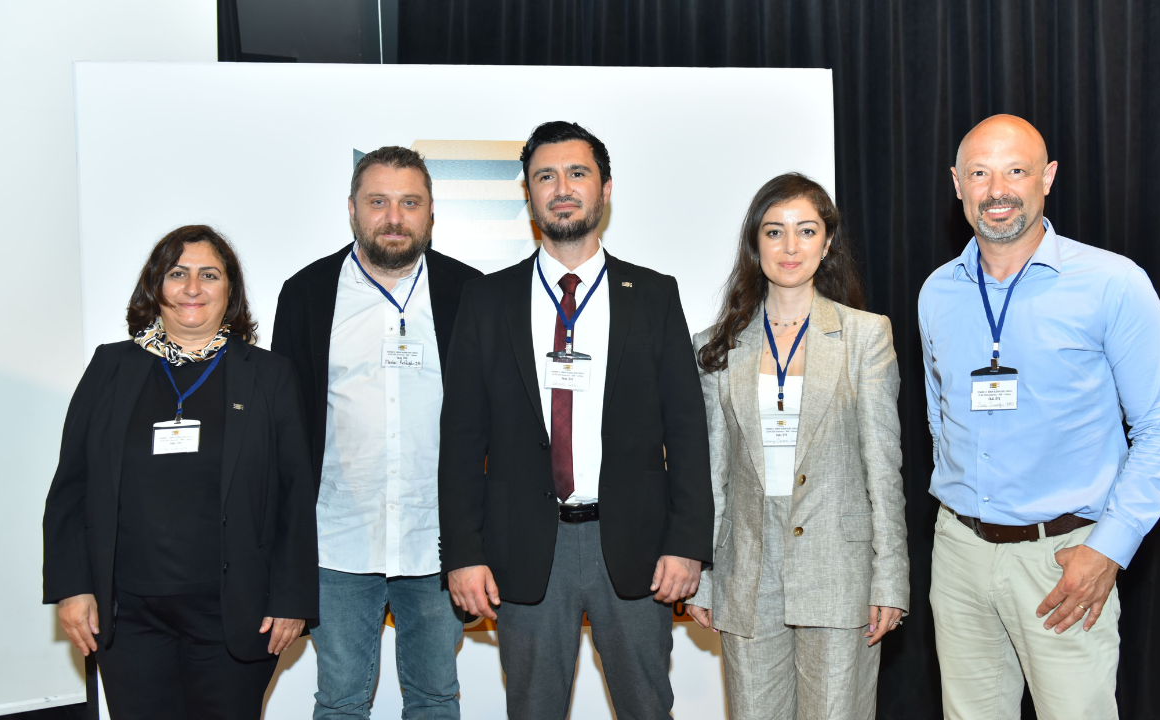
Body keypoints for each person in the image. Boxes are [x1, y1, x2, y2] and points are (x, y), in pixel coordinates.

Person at [439, 121, 714, 719]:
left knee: (648, 709)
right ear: (529, 194)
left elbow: (688, 432)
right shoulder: (487, 300)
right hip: (523, 549)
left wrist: (687, 543)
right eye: (546, 176)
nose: (562, 188)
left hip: (637, 548)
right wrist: (462, 552)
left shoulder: (655, 295)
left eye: (577, 173)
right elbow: (460, 440)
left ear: (605, 189)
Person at [920, 114, 1160, 719]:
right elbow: (941, 413)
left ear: (1048, 178)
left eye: (1016, 170)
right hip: (959, 555)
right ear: (957, 184)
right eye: (980, 173)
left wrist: (1109, 548)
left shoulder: (1113, 284)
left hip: (1064, 559)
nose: (998, 190)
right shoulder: (938, 291)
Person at [42, 225, 317, 719]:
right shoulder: (110, 367)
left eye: (209, 275)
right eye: (177, 273)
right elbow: (71, 486)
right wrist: (72, 586)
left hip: (235, 611)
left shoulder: (268, 374)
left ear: (230, 290)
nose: (193, 287)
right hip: (128, 614)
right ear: (155, 286)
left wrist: (292, 598)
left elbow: (296, 494)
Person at [685, 173, 909, 719]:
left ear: (827, 243)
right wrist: (704, 578)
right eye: (774, 232)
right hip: (746, 566)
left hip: (840, 567)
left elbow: (883, 469)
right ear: (755, 243)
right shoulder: (715, 347)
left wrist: (890, 578)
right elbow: (712, 474)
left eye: (806, 231)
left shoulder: (865, 336)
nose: (790, 247)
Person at [272, 146, 481, 719]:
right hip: (338, 539)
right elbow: (283, 428)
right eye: (378, 202)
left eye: (410, 203)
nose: (394, 217)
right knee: (339, 701)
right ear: (351, 209)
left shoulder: (471, 292)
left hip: (436, 540)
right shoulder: (307, 292)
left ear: (431, 213)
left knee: (435, 697)